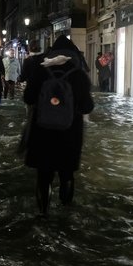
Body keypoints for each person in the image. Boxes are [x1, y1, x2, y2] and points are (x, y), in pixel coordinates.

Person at [23, 35, 95, 215]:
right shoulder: (78, 75)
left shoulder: (41, 71)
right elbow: (87, 107)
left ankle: (42, 213)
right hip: (69, 135)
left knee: (43, 176)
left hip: (42, 133)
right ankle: (65, 214)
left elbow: (28, 98)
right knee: (66, 174)